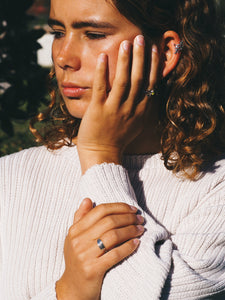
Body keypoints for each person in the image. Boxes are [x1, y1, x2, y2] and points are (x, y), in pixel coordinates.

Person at [0, 0, 225, 299]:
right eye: (57, 31)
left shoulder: (215, 190)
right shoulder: (9, 177)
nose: (64, 57)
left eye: (93, 34)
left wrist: (100, 155)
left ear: (167, 51)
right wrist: (70, 291)